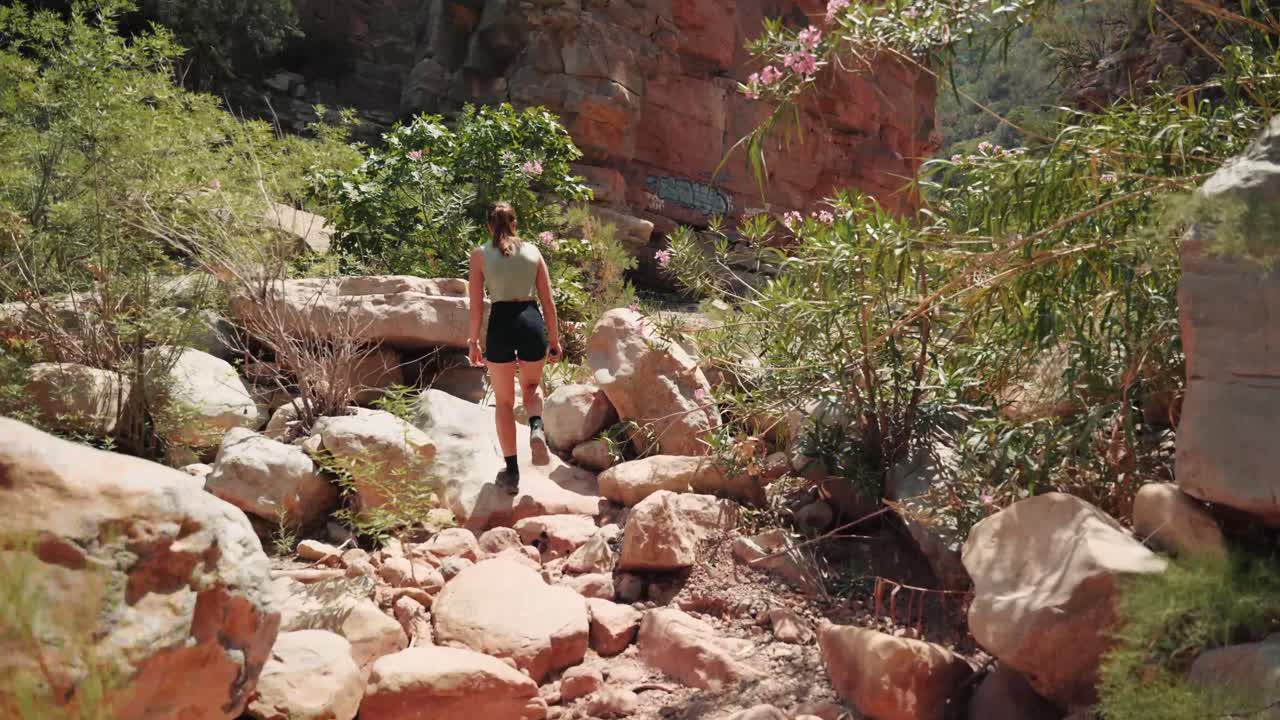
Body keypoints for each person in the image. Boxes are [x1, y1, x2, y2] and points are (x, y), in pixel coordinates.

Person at [467, 201, 562, 495]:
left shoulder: (480, 254)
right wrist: (555, 341)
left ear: (489, 226)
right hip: (530, 321)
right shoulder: (533, 252)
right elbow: (548, 302)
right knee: (532, 387)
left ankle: (512, 473)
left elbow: (476, 307)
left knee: (505, 403)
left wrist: (473, 342)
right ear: (515, 224)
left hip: (501, 326)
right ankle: (535, 426)